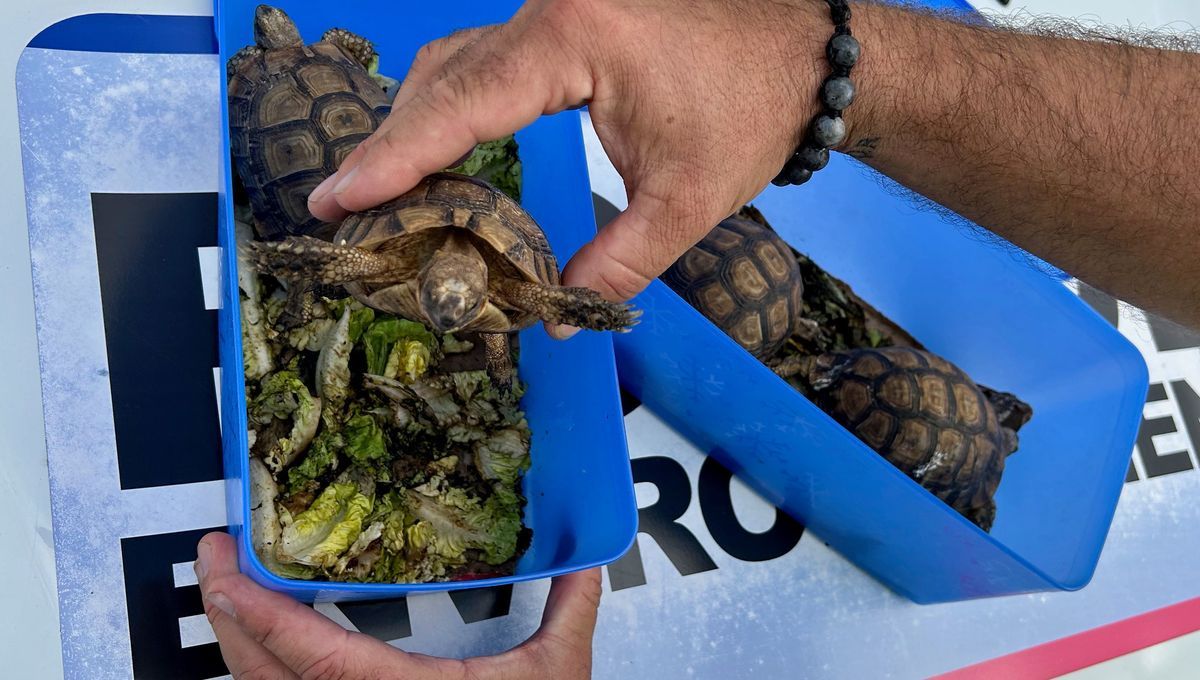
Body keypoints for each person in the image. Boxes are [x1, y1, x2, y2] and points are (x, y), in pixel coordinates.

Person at [195, 0, 1200, 676]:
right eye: (457, 303)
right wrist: (824, 66)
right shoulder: (389, 260)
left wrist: (586, 300)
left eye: (463, 300)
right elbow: (340, 256)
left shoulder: (499, 281)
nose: (460, 311)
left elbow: (535, 291)